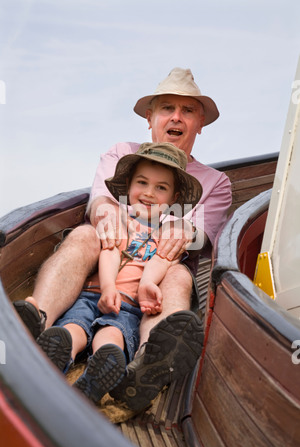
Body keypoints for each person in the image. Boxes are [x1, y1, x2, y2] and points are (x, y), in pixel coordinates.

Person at [14, 67, 232, 411]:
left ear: (200, 122)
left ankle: (147, 363)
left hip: (154, 281)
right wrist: (108, 212)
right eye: (167, 108)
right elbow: (101, 201)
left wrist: (184, 230)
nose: (176, 117)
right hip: (104, 259)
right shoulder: (122, 154)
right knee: (88, 233)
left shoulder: (215, 181)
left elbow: (203, 232)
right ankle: (37, 321)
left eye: (188, 110)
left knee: (177, 271)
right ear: (150, 117)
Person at [35, 142, 203, 405]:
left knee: (113, 334)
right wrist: (108, 286)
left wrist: (147, 282)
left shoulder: (168, 235)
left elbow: (161, 261)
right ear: (128, 186)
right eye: (142, 183)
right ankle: (61, 352)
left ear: (173, 199)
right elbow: (110, 251)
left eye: (161, 188)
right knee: (74, 324)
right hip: (93, 293)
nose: (149, 193)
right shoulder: (118, 222)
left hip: (128, 306)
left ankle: (101, 369)